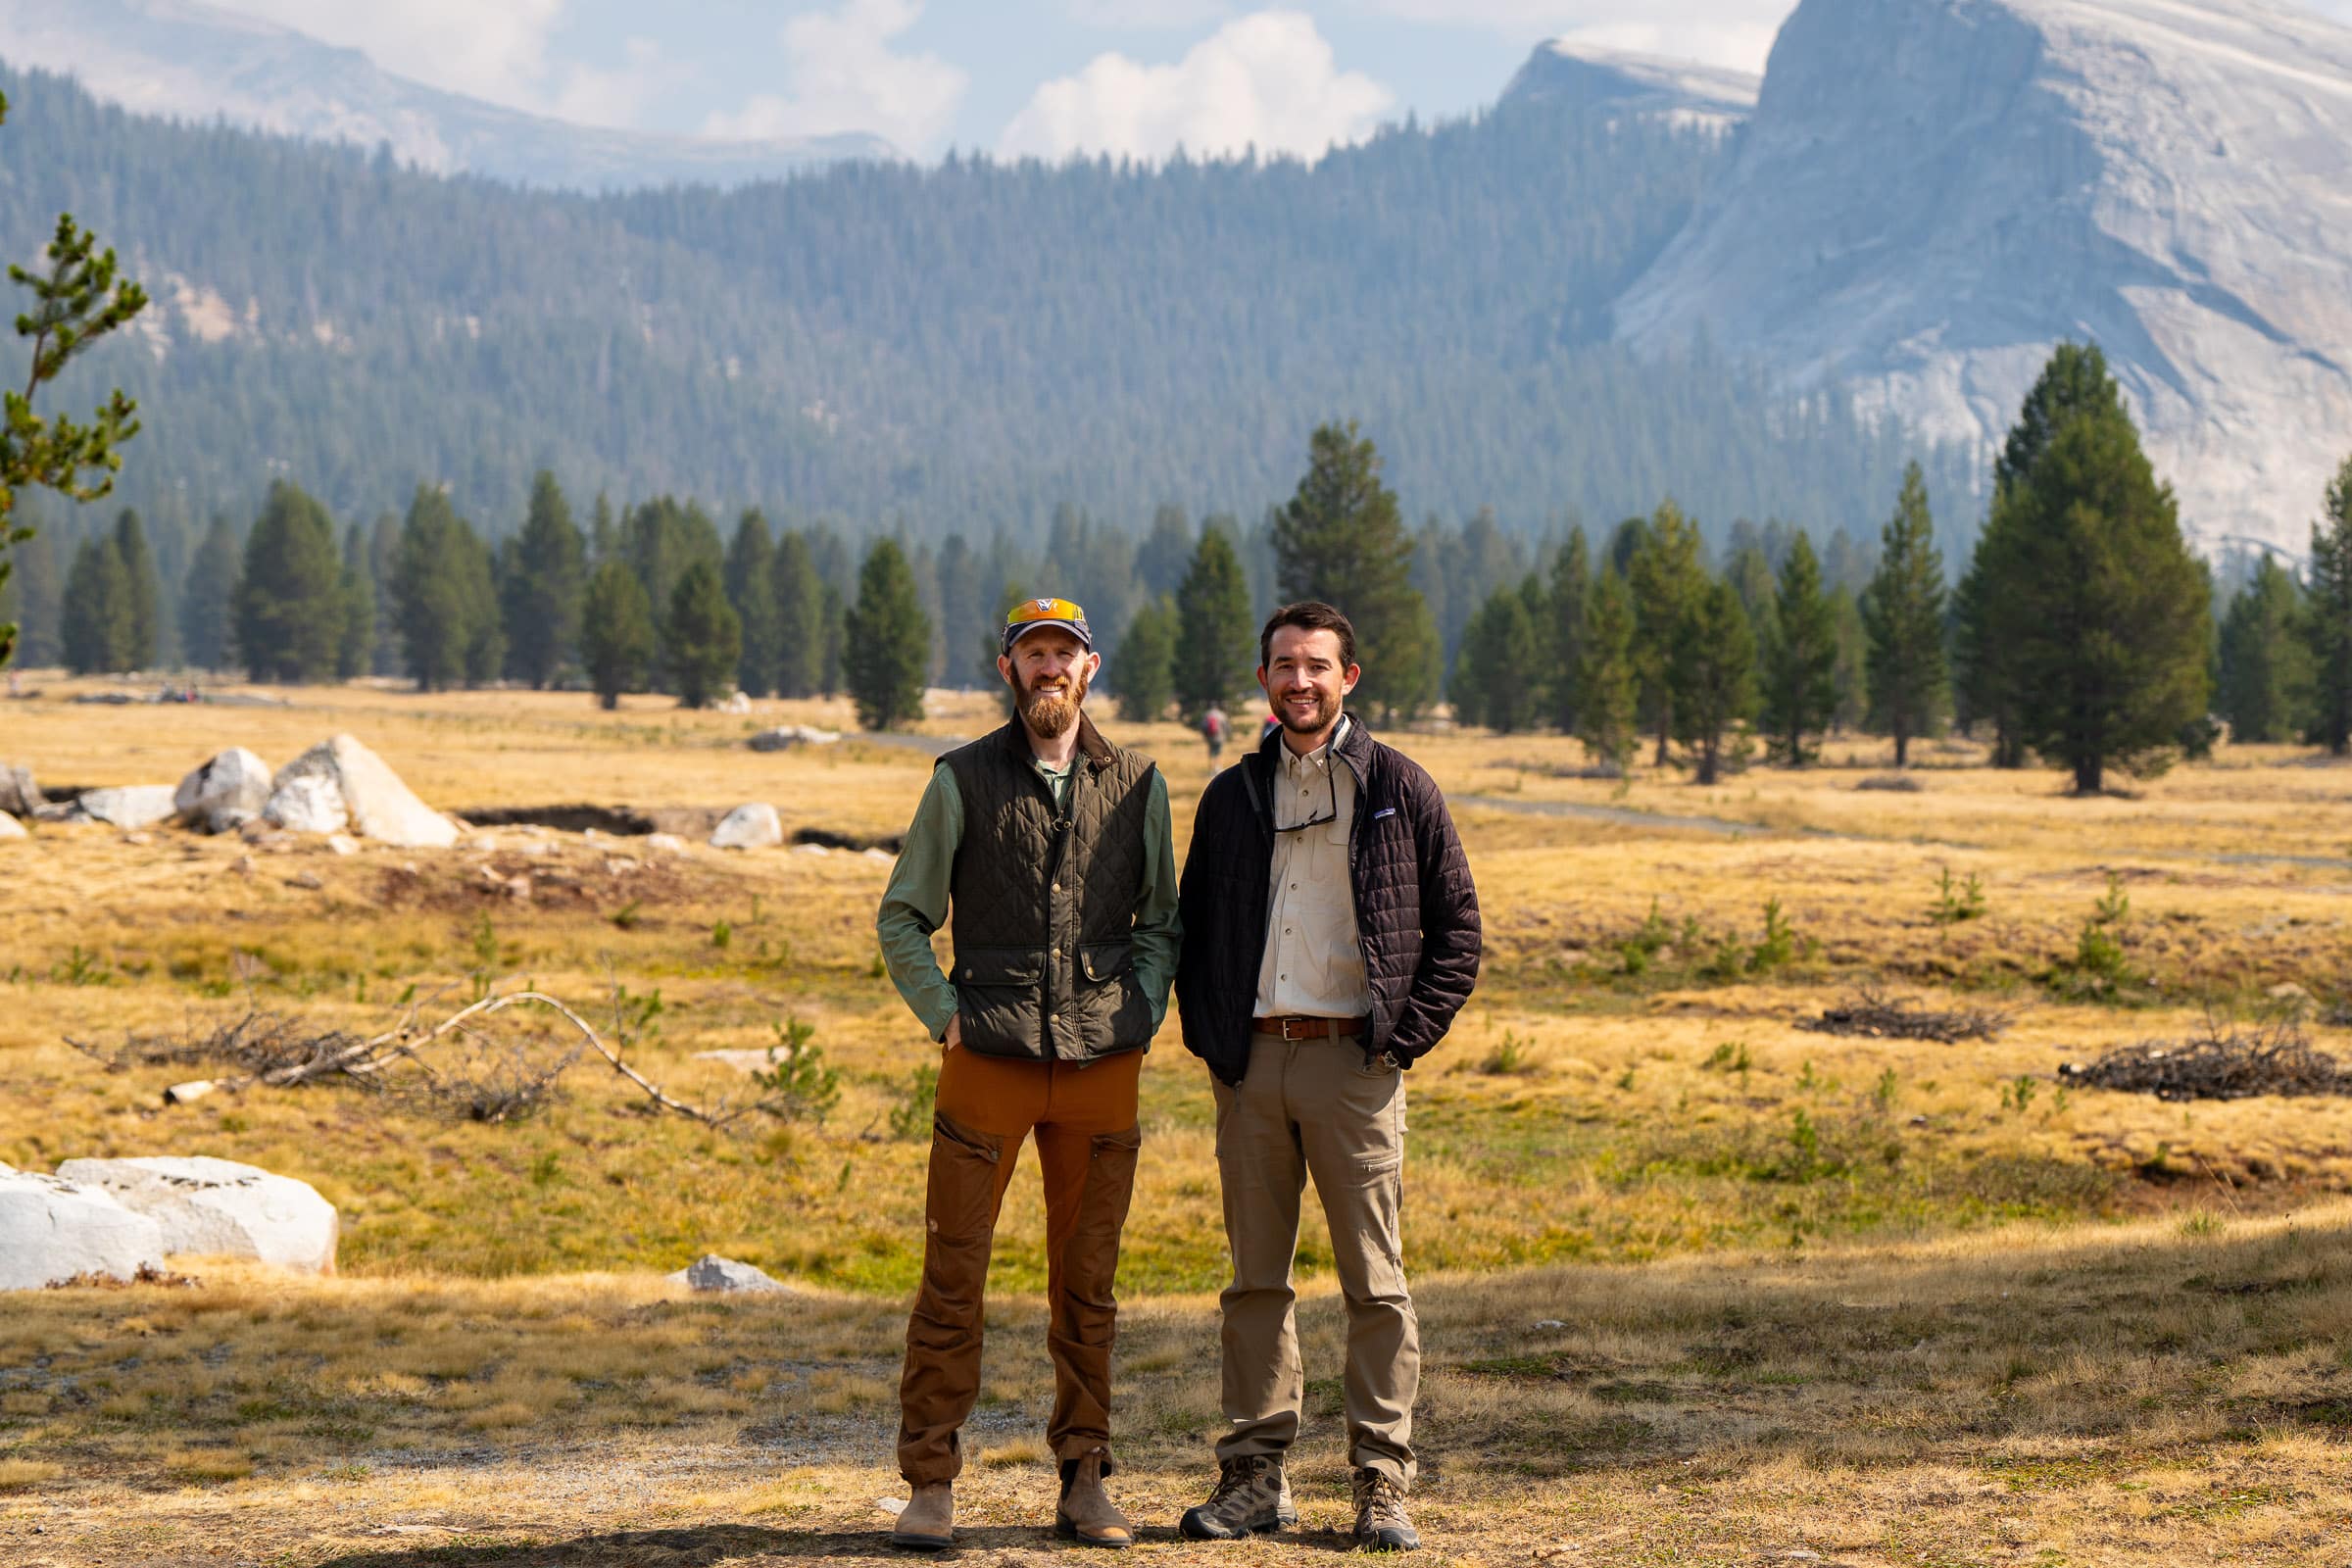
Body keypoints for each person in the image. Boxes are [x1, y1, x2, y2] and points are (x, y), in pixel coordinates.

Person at [1172, 600, 1480, 1552]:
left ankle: (1383, 1483)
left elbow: (1459, 932)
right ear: (1263, 678)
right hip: (1254, 1065)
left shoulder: (1400, 787)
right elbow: (1193, 934)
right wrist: (1217, 1048)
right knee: (1254, 1284)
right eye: (1283, 666)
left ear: (1351, 676)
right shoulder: (1232, 797)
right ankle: (1254, 1477)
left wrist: (1399, 1042)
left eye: (1317, 666)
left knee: (1375, 1287)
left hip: (1356, 1066)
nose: (1299, 681)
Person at [876, 595, 1181, 1552]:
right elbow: (903, 917)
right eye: (1032, 652)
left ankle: (1085, 1475)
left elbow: (1161, 923)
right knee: (952, 1276)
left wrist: (1138, 1013)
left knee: (1087, 1283)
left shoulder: (1140, 781)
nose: (1050, 669)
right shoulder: (960, 779)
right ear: (1006, 668)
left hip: (1102, 1064)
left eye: (1066, 653)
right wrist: (944, 1015)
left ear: (1092, 669)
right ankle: (931, 1481)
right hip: (988, 1065)